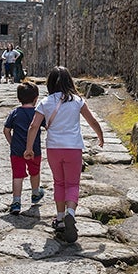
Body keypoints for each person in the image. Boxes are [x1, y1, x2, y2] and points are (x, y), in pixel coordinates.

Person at [24, 66, 104, 242]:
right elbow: (92, 120)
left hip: (54, 148)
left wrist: (29, 148)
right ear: (70, 81)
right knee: (73, 184)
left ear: (50, 83)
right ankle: (70, 213)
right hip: (73, 148)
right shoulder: (77, 101)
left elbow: (34, 126)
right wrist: (100, 135)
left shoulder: (45, 102)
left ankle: (60, 219)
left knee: (59, 182)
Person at [3, 82, 45, 215]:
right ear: (36, 98)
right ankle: (35, 193)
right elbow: (48, 126)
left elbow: (6, 130)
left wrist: (12, 143)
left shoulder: (15, 113)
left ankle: (16, 202)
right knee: (35, 172)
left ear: (19, 98)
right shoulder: (38, 113)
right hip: (34, 150)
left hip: (17, 151)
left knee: (17, 176)